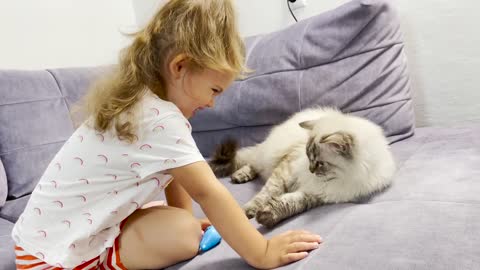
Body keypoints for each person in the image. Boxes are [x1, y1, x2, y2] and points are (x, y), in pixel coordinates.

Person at [11, 0, 322, 269]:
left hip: (37, 244)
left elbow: (175, 173)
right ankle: (101, 262)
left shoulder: (140, 101)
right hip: (55, 260)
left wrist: (180, 219)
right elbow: (207, 192)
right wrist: (262, 251)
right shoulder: (159, 120)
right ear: (180, 66)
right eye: (214, 90)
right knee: (183, 235)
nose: (212, 102)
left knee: (181, 226)